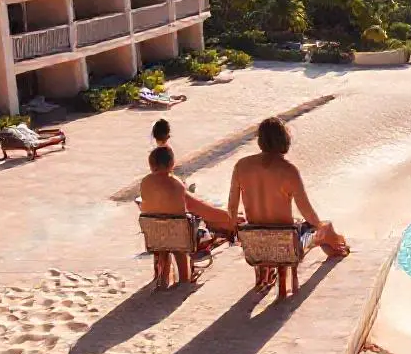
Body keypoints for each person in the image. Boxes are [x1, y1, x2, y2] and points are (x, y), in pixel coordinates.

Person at [227, 118, 349, 291]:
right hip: (286, 245)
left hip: (256, 242)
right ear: (284, 139)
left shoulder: (241, 166)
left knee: (314, 228)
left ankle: (265, 273)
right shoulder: (288, 170)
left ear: (261, 140)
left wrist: (237, 227)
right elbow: (308, 213)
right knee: (325, 228)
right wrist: (321, 227)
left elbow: (232, 208)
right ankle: (340, 246)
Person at [139, 146, 237, 288]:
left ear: (151, 164)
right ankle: (184, 280)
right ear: (172, 164)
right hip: (178, 235)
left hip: (155, 235)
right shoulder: (176, 184)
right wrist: (230, 217)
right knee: (181, 247)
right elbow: (202, 209)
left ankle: (163, 279)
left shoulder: (145, 182)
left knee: (163, 247)